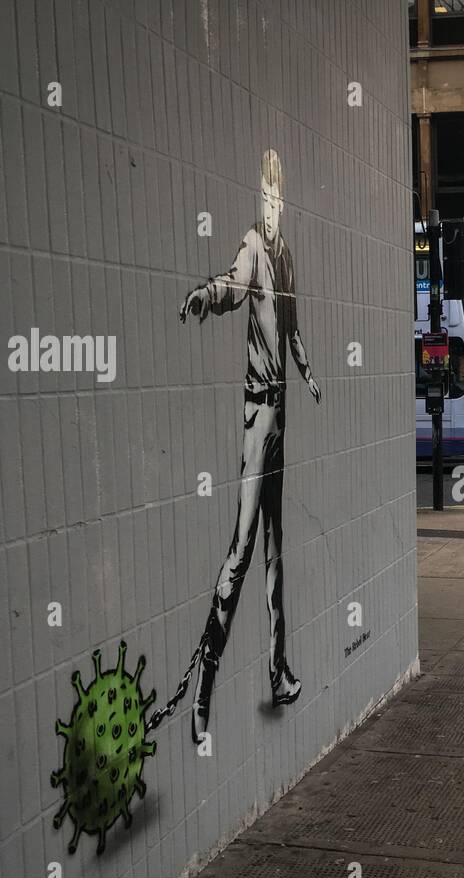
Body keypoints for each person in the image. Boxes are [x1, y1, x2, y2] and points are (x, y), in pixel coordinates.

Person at [161, 148, 321, 744]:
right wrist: (204, 296)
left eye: (278, 196)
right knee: (244, 546)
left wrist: (307, 373)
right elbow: (231, 287)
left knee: (277, 553)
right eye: (266, 194)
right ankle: (205, 679)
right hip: (258, 414)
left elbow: (294, 329)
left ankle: (278, 672)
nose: (273, 205)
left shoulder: (287, 256)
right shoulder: (255, 247)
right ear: (260, 198)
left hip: (282, 414)